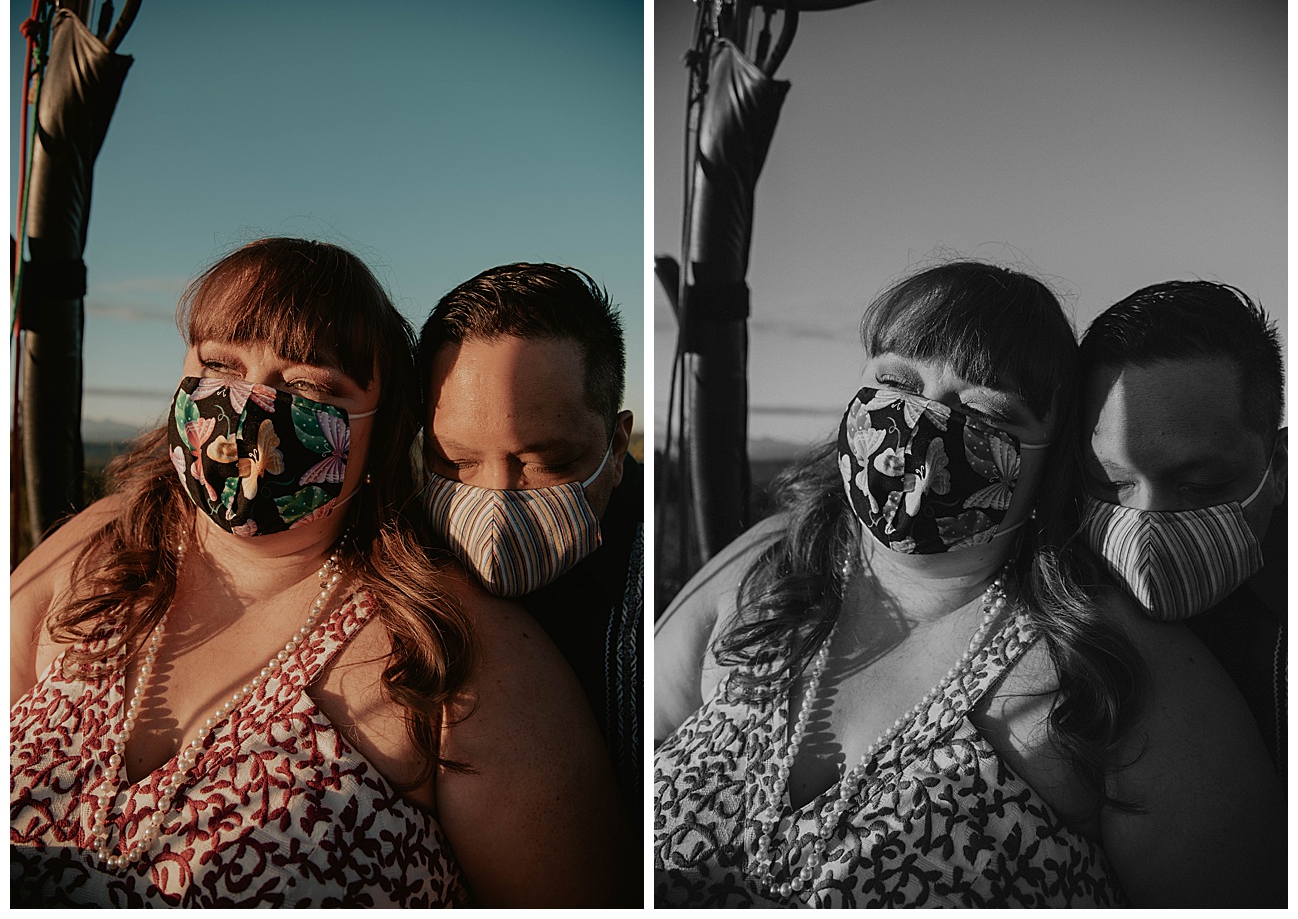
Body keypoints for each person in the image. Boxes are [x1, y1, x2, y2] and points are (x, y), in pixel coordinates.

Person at [11, 238, 624, 907]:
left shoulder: (453, 652)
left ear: (381, 429)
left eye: (306, 386)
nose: (249, 407)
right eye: (220, 363)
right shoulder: (99, 545)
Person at [654, 261, 1283, 907]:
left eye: (985, 411)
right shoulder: (770, 562)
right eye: (897, 380)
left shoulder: (1114, 671)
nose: (922, 424)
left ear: (1050, 470)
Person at [416, 263, 642, 821]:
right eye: (459, 462)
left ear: (615, 447)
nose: (494, 498)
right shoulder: (395, 552)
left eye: (545, 463)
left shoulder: (669, 589)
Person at [1078, 280, 1286, 778]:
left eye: (1201, 484)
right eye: (1113, 484)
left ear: (1278, 468)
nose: (1148, 524)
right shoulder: (1039, 598)